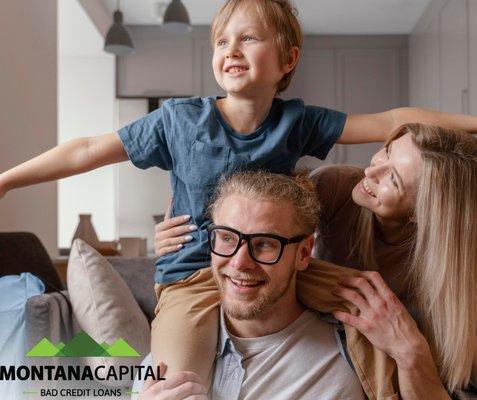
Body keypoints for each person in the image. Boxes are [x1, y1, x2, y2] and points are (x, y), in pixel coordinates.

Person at [1, 0, 476, 394]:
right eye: (222, 41)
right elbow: (87, 149)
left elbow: (391, 119)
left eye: (249, 38)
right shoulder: (179, 121)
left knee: (371, 307)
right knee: (175, 381)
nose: (231, 49)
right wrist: (6, 181)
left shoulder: (297, 122)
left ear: (288, 60)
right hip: (191, 274)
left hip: (276, 268)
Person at [155, 123, 477, 397]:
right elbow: (262, 211)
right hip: (323, 298)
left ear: (425, 212)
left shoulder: (456, 279)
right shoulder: (337, 187)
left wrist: (411, 351)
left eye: (393, 179)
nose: (370, 171)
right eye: (386, 152)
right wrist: (182, 240)